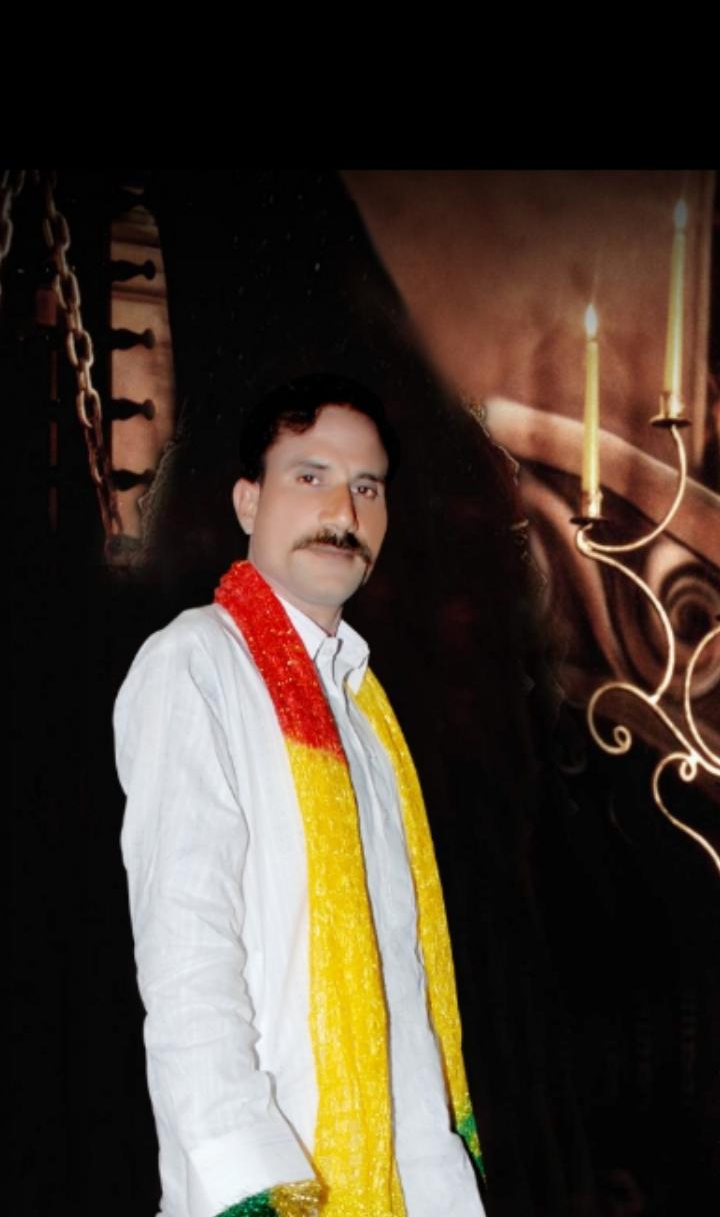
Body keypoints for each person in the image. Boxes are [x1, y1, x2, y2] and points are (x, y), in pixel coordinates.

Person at [114, 374, 486, 1217]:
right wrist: (251, 1187)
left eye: (367, 487)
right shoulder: (196, 664)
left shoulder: (364, 707)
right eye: (310, 476)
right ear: (248, 500)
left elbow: (407, 985)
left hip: (413, 1178)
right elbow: (186, 959)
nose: (342, 511)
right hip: (273, 1186)